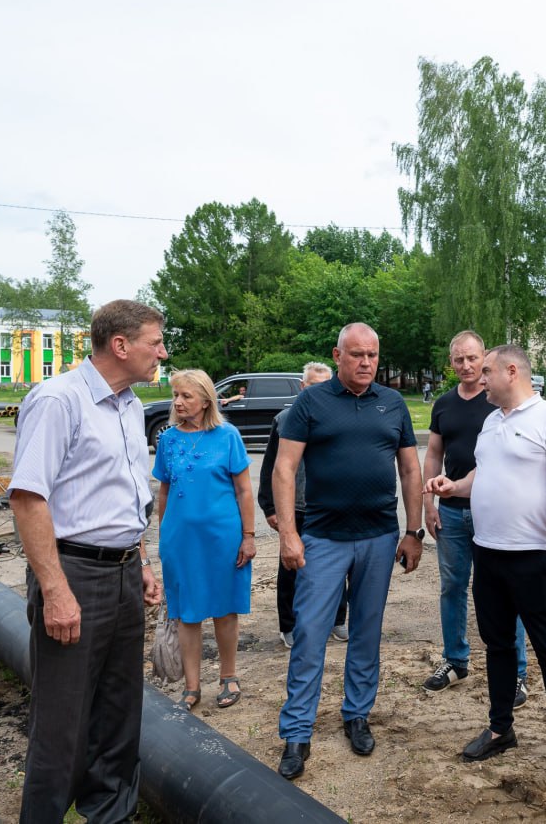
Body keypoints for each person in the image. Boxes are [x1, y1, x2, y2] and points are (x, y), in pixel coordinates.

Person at [9, 299, 165, 823]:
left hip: (122, 573)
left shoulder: (130, 406)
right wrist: (54, 590)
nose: (162, 353)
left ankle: (109, 815)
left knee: (120, 714)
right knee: (62, 721)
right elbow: (29, 498)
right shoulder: (58, 400)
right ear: (120, 346)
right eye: (155, 342)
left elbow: (126, 493)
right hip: (73, 573)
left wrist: (139, 559)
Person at [425, 344, 546, 791]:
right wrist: (453, 484)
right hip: (488, 551)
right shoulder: (492, 421)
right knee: (496, 646)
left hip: (533, 557)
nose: (480, 378)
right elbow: (483, 472)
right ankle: (500, 729)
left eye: (488, 370)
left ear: (511, 371)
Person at [272, 323, 425, 780]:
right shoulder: (310, 403)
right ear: (337, 355)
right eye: (356, 354)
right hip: (321, 538)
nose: (365, 362)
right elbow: (284, 469)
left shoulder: (392, 403)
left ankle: (357, 715)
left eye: (372, 355)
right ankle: (297, 733)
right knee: (310, 634)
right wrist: (288, 535)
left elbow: (411, 470)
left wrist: (413, 531)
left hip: (379, 537)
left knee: (366, 632)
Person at [421, 330, 529, 707]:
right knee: (452, 587)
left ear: (484, 358)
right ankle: (455, 661)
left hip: (491, 513)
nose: (466, 366)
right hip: (450, 513)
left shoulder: (498, 399)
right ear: (451, 363)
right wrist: (428, 504)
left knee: (504, 592)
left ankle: (516, 673)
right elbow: (434, 454)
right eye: (458, 360)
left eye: (472, 359)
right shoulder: (444, 404)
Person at [153, 368, 256, 711]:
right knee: (187, 613)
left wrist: (249, 536)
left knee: (225, 609)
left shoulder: (227, 436)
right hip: (180, 540)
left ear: (205, 400)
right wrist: (163, 533)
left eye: (186, 396)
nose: (178, 402)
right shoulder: (168, 439)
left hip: (223, 538)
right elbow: (164, 491)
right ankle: (192, 686)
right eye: (176, 396)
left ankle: (229, 676)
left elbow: (244, 491)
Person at [257, 362, 348, 649]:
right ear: (303, 386)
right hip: (295, 506)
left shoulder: (340, 416)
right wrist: (270, 508)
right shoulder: (285, 419)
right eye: (314, 385)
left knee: (338, 565)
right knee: (291, 568)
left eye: (326, 385)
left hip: (331, 506)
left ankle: (337, 619)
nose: (320, 390)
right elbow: (271, 466)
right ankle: (289, 625)